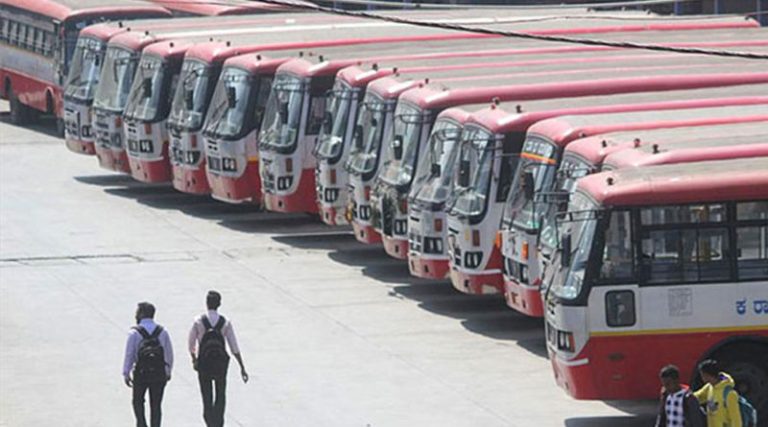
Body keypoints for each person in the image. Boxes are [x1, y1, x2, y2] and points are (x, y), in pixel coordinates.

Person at [189, 291, 249, 427]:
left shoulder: (198, 321)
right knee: (220, 394)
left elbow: (191, 343)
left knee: (206, 396)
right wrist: (242, 367)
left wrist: (194, 359)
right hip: (220, 363)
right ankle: (218, 422)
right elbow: (234, 346)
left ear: (206, 303)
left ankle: (209, 421)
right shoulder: (225, 322)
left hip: (204, 363)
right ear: (219, 304)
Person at [123, 302, 174, 427]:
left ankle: (141, 424)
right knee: (156, 405)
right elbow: (169, 353)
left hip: (141, 373)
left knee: (138, 402)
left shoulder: (134, 333)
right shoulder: (162, 332)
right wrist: (168, 371)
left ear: (141, 314)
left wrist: (126, 373)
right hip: (158, 373)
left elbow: (129, 354)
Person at [694, 359, 743, 427]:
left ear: (706, 375)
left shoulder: (730, 394)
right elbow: (697, 397)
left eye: (702, 375)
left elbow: (736, 420)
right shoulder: (709, 387)